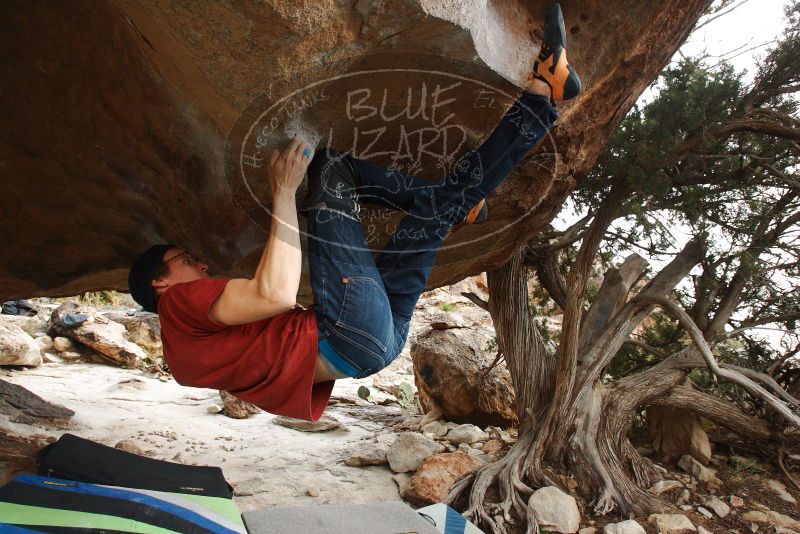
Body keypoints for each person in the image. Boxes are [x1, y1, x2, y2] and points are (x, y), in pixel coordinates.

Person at [127, 3, 581, 421]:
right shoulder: (180, 306)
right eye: (184, 259)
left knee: (442, 205)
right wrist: (284, 191)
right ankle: (449, 197)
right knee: (330, 168)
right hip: (349, 327)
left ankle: (542, 95)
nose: (200, 263)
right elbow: (276, 295)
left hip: (376, 345)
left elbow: (265, 348)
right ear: (159, 282)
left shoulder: (184, 358)